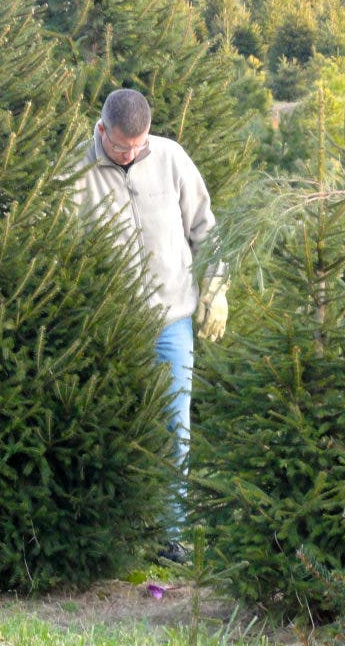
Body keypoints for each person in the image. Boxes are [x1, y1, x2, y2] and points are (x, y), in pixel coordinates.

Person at [72, 88, 228, 562]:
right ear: (102, 131)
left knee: (174, 427)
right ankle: (112, 532)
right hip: (109, 327)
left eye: (139, 145)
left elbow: (207, 229)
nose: (132, 154)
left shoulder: (171, 158)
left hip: (171, 320)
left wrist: (217, 288)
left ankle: (171, 535)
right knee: (111, 428)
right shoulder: (73, 173)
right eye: (123, 147)